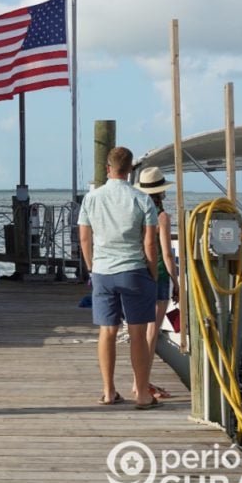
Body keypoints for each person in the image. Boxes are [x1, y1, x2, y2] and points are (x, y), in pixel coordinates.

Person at [78, 146, 160, 409]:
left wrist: (92, 267)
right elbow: (150, 244)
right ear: (130, 171)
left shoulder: (91, 199)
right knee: (137, 334)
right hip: (134, 270)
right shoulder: (142, 199)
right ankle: (142, 395)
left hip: (102, 271)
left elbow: (84, 237)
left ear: (107, 168)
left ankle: (108, 391)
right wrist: (153, 272)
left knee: (107, 332)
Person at [135, 166, 178, 400]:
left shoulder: (137, 213)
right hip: (158, 275)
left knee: (138, 331)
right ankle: (143, 383)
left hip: (138, 273)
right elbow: (167, 254)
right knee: (152, 333)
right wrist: (177, 282)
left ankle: (138, 381)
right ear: (161, 192)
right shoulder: (162, 217)